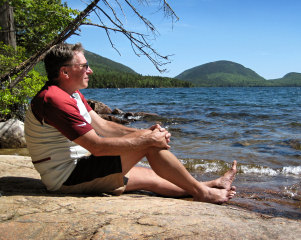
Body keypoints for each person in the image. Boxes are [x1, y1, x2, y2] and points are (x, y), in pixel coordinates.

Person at [24, 42, 237, 204]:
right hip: (68, 177)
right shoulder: (53, 100)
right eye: (85, 66)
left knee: (153, 178)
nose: (90, 70)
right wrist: (147, 139)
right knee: (150, 146)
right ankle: (203, 193)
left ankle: (210, 185)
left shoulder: (72, 94)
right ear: (65, 72)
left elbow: (104, 126)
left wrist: (145, 131)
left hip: (80, 167)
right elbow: (97, 146)